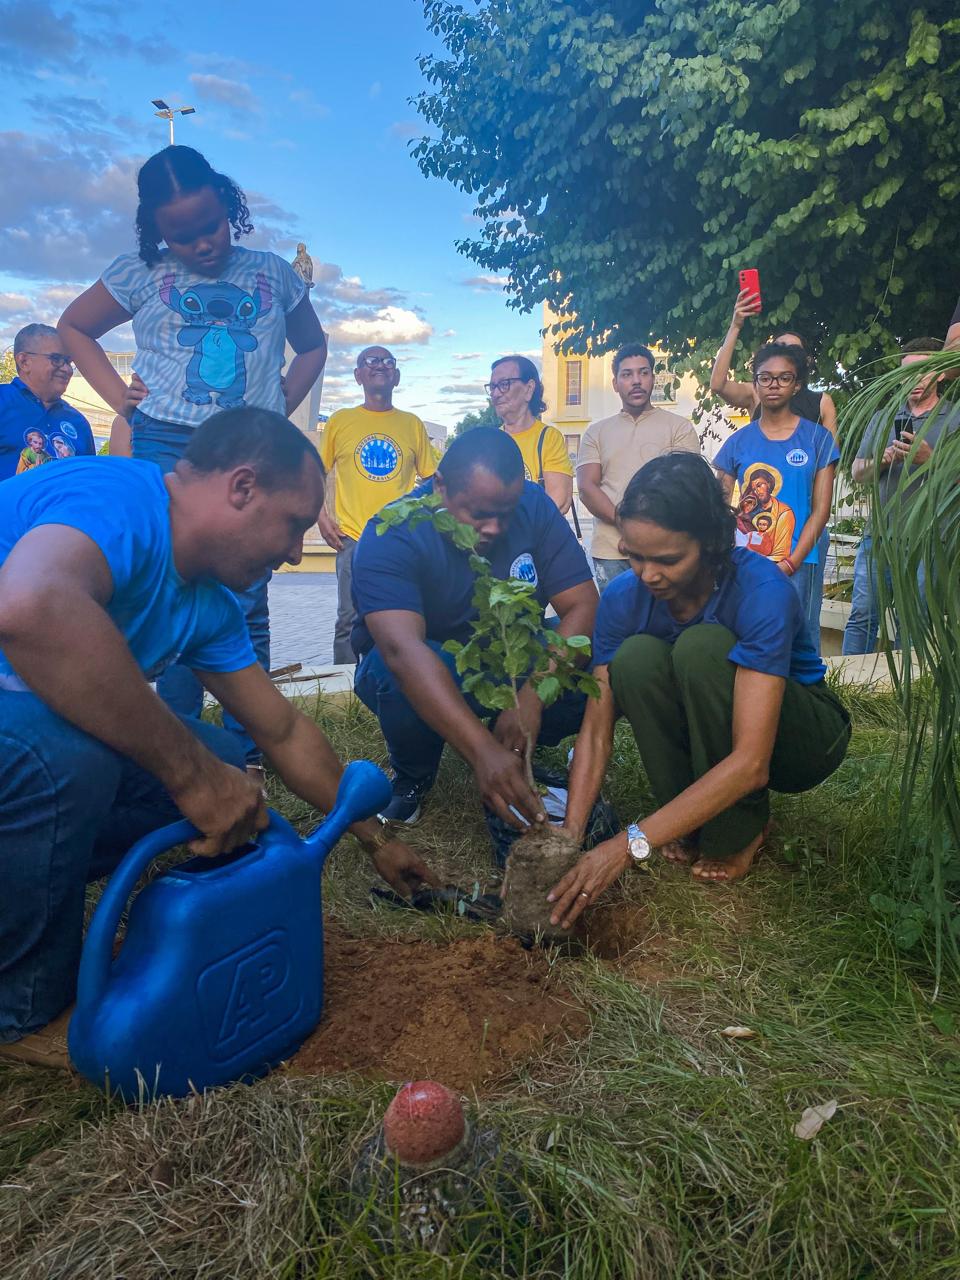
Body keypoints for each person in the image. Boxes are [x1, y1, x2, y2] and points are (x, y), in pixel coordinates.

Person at [0, 408, 435, 1068]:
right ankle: (22, 1009)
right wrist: (188, 774)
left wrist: (374, 837)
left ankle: (36, 880)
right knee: (76, 761)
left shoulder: (206, 600)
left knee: (230, 759)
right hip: (28, 742)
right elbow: (29, 606)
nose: (296, 551)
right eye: (293, 523)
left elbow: (281, 728)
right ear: (242, 487)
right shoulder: (119, 498)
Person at [58, 145, 328, 773]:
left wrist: (280, 402)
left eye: (210, 226)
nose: (202, 244)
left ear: (229, 207)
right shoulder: (138, 273)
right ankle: (177, 734)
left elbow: (312, 346)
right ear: (157, 231)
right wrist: (114, 395)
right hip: (166, 443)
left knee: (247, 588)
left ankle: (249, 744)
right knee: (169, 586)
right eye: (180, 236)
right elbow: (75, 327)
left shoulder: (272, 274)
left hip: (250, 450)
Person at [542, 453, 851, 925]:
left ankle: (738, 832)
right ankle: (683, 823)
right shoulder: (625, 599)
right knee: (635, 660)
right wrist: (570, 836)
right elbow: (596, 731)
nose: (647, 575)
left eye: (667, 560)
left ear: (710, 544)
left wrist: (628, 846)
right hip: (721, 718)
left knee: (703, 649)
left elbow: (751, 763)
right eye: (634, 555)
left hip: (803, 736)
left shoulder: (761, 590)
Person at [352, 427, 598, 824]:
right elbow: (403, 652)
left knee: (605, 645)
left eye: (506, 513)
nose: (495, 529)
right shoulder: (393, 533)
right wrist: (482, 753)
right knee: (389, 666)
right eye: (479, 515)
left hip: (513, 659)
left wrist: (533, 697)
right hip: (437, 666)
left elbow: (583, 605)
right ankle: (413, 774)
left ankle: (546, 753)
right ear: (440, 486)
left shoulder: (533, 505)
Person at [713, 343, 839, 643]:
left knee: (800, 640)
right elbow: (719, 507)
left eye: (784, 378)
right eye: (765, 377)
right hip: (745, 564)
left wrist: (791, 562)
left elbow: (821, 510)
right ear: (755, 383)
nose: (774, 385)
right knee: (745, 635)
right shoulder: (738, 442)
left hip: (799, 561)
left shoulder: (817, 439)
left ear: (797, 386)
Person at [318, 347, 437, 664]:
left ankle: (395, 681)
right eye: (370, 360)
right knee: (348, 618)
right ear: (358, 375)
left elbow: (433, 478)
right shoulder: (340, 421)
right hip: (352, 537)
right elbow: (317, 471)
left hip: (400, 538)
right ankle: (344, 694)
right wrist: (321, 516)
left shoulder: (412, 425)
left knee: (404, 616)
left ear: (396, 377)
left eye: (388, 361)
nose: (380, 365)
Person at [842, 338, 959, 654]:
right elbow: (856, 472)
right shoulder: (882, 417)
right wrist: (883, 458)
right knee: (862, 615)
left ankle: (902, 700)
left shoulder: (955, 418)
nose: (914, 381)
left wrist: (931, 459)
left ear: (938, 373)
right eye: (907, 374)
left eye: (921, 372)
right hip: (879, 537)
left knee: (915, 621)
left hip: (929, 539)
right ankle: (845, 695)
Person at [577, 342, 700, 590]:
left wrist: (645, 534)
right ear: (615, 383)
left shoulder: (679, 427)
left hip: (666, 551)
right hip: (611, 551)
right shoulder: (596, 432)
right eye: (627, 374)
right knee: (619, 623)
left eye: (643, 373)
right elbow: (587, 488)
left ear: (654, 378)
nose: (636, 381)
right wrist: (625, 525)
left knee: (666, 624)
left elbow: (686, 486)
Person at [0, 324, 95, 482]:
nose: (67, 369)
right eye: (56, 359)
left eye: (68, 361)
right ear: (24, 361)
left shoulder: (78, 422)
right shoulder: (3, 402)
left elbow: (87, 482)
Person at [486, 355, 573, 513]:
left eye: (504, 384)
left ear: (529, 389)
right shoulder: (490, 442)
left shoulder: (549, 438)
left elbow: (559, 500)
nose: (496, 394)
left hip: (535, 535)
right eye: (492, 387)